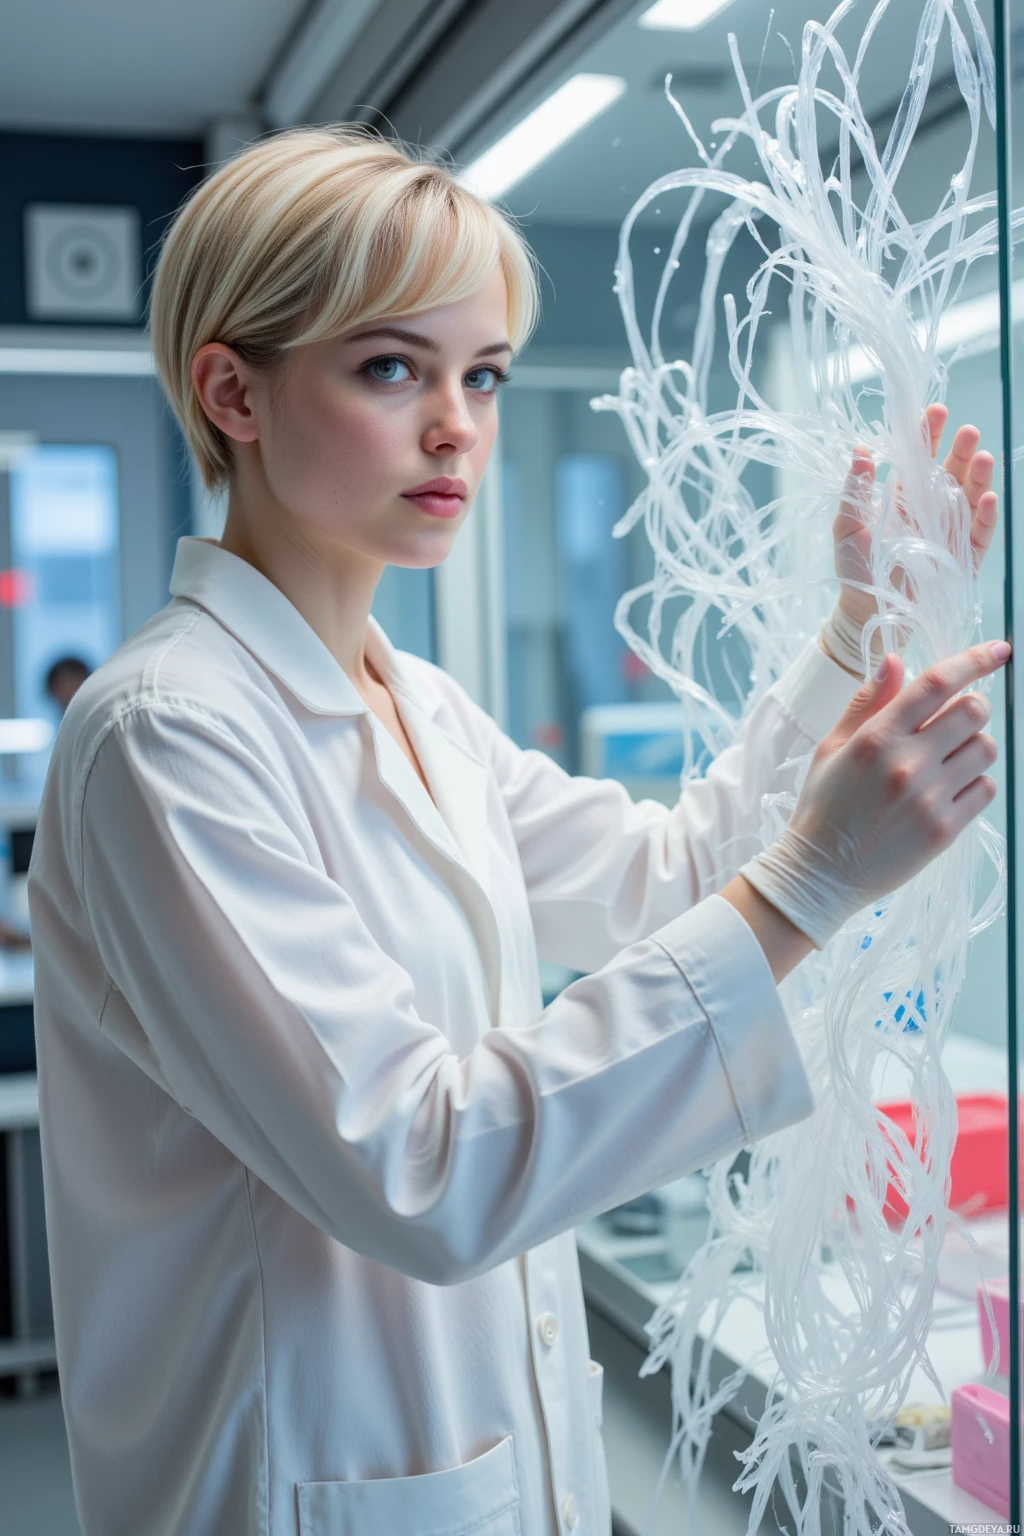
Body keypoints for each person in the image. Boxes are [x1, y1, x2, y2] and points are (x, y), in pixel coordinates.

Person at [27, 128, 1003, 1536]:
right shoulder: (166, 737)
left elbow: (661, 875)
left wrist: (856, 635)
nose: (457, 427)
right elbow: (421, 1164)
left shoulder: (415, 702)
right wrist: (806, 885)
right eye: (390, 368)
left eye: (480, 375)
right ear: (230, 388)